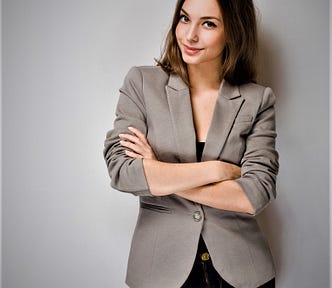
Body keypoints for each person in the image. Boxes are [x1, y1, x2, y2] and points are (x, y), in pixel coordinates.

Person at [103, 0, 279, 287]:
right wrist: (216, 171)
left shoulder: (257, 99)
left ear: (234, 32)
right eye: (185, 18)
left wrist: (159, 171)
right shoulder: (142, 84)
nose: (189, 35)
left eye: (208, 23)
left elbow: (254, 195)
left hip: (242, 272)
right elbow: (123, 172)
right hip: (159, 270)